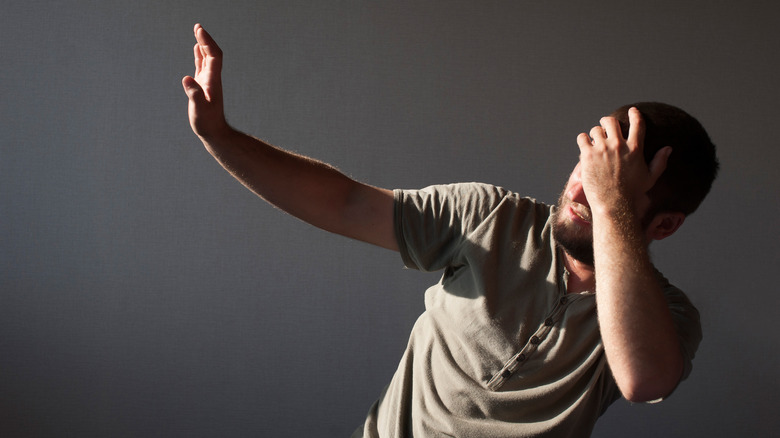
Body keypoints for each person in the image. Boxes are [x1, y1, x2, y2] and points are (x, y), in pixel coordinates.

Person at [182, 24, 718, 437]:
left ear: (664, 225)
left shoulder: (665, 315)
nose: (581, 191)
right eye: (587, 166)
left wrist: (610, 207)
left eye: (611, 188)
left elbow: (644, 379)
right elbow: (344, 204)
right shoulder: (491, 216)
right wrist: (221, 137)